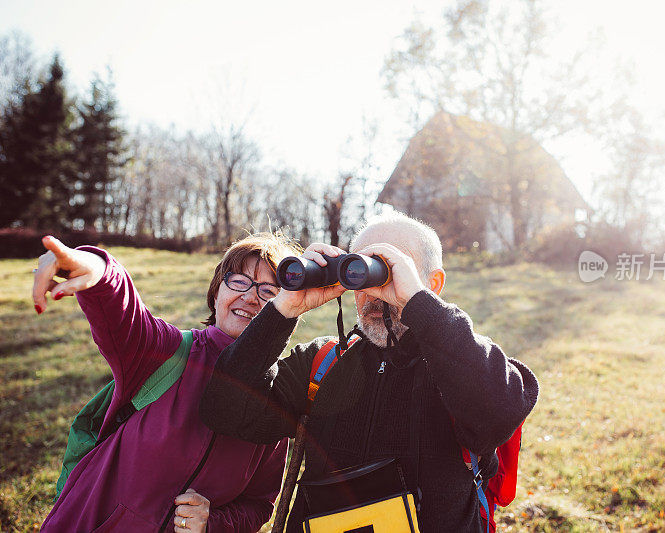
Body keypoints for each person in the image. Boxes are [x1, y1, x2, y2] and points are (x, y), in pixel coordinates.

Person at [200, 213, 539, 532]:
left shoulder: (464, 359)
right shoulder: (323, 362)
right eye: (361, 270)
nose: (375, 293)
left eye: (391, 269)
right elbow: (226, 412)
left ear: (432, 284)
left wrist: (422, 307)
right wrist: (282, 311)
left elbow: (498, 413)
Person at [33, 233, 296, 532]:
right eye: (239, 281)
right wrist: (97, 270)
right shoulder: (168, 351)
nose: (250, 297)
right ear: (216, 292)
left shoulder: (274, 404)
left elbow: (259, 504)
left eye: (269, 291)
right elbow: (125, 314)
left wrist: (213, 523)